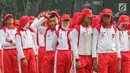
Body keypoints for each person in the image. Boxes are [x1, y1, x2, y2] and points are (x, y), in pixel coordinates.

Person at [92, 8, 121, 73]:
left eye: (108, 16)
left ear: (111, 17)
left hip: (113, 55)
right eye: (105, 16)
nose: (106, 17)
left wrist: (119, 59)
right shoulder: (97, 29)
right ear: (102, 17)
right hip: (102, 55)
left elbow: (117, 45)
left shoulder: (115, 29)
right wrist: (94, 59)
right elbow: (93, 45)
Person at [68, 8, 94, 73]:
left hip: (89, 57)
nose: (90, 19)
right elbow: (74, 44)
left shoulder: (91, 29)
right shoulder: (77, 29)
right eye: (88, 17)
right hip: (80, 56)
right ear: (83, 17)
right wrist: (77, 59)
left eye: (91, 18)